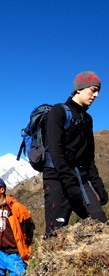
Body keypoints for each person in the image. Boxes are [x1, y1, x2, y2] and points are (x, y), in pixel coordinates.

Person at [43, 71, 108, 238]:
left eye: (98, 91)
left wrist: (98, 186)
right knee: (55, 234)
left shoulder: (87, 119)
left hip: (80, 178)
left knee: (100, 226)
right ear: (79, 89)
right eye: (93, 90)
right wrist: (69, 183)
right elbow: (56, 152)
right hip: (57, 177)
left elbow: (88, 158)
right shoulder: (58, 112)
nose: (96, 95)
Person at [0, 177, 35, 276]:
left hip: (15, 255)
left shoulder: (17, 207)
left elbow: (29, 229)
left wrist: (23, 246)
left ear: (2, 190)